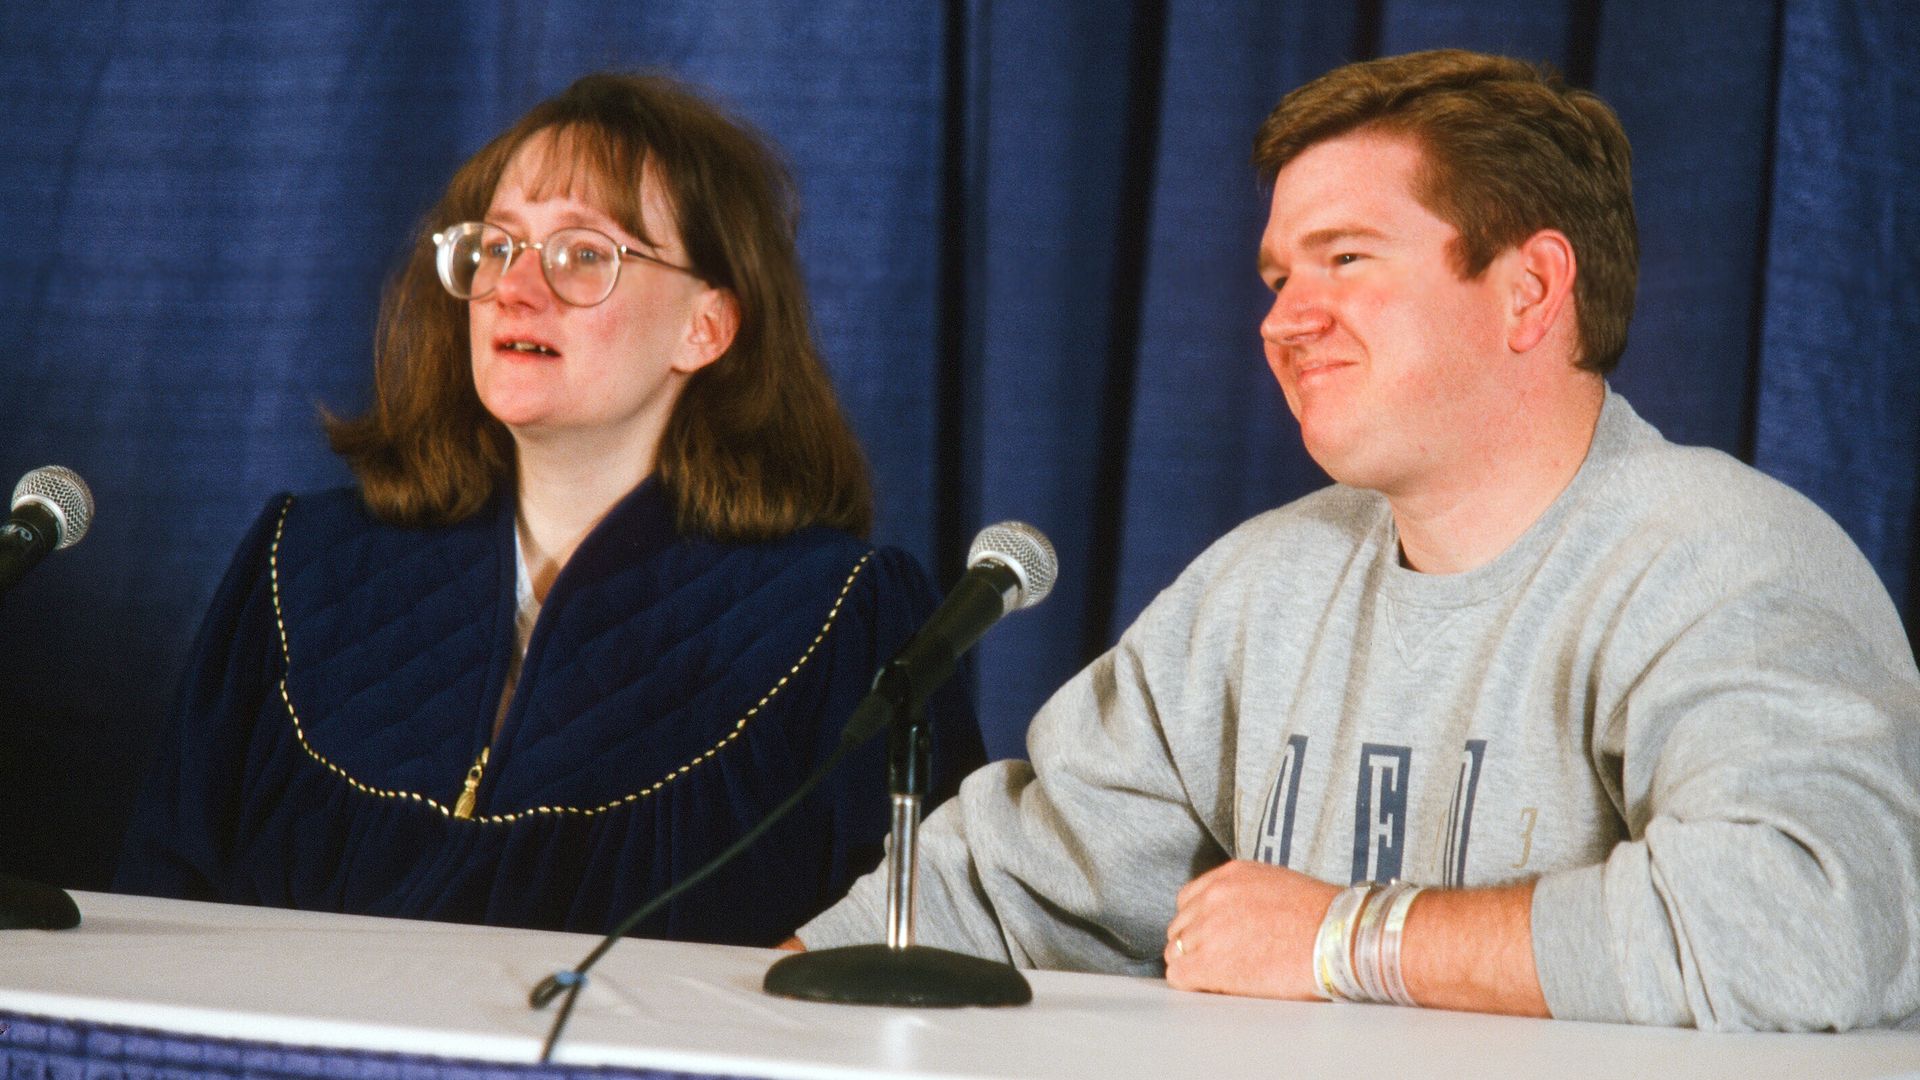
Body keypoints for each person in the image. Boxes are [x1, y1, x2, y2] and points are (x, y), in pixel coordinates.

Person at [795, 50, 1920, 1030]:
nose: (1284, 318)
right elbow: (1008, 888)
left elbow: (1804, 924)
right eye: (1281, 276)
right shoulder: (1264, 582)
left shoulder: (1724, 558)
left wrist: (1344, 940)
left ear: (1530, 290)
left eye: (1345, 259)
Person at [115, 72, 982, 945]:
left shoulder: (841, 618)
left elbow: (909, 964)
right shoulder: (300, 565)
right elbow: (157, 919)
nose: (513, 288)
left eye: (583, 254)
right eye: (496, 247)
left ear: (706, 328)